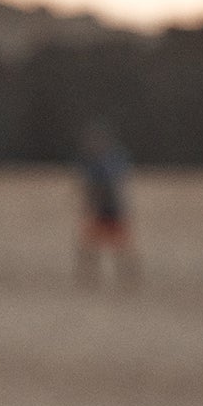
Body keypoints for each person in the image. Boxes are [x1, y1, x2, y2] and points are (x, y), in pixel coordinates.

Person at [76, 119, 136, 287]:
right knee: (89, 247)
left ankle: (127, 278)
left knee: (120, 248)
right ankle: (88, 279)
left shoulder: (108, 162)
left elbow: (108, 188)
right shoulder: (91, 163)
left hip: (111, 210)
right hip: (101, 211)